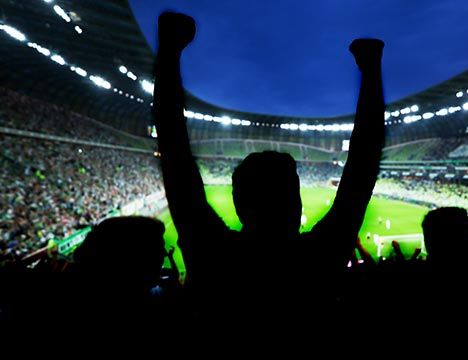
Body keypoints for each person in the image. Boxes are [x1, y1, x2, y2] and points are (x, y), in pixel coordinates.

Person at [153, 11, 385, 310]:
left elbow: (175, 159)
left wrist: (170, 51)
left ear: (238, 204)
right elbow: (362, 169)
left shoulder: (213, 253)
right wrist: (371, 69)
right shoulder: (320, 255)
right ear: (297, 203)